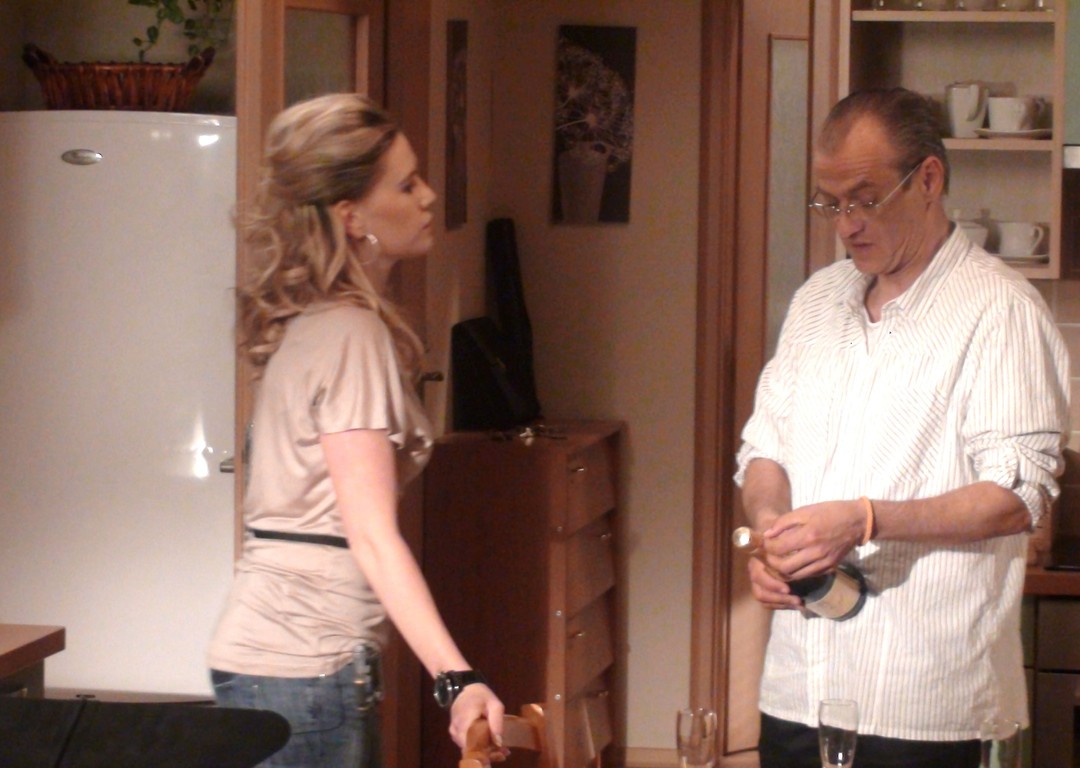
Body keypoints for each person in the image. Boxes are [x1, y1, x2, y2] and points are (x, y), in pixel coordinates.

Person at [735, 87, 1069, 768]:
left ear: (928, 179)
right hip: (797, 687)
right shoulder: (816, 302)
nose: (846, 225)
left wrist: (864, 520)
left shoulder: (999, 310)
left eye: (864, 199)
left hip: (922, 704)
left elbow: (1016, 498)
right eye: (831, 203)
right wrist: (772, 534)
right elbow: (764, 451)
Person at [208, 93, 504, 767]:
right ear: (351, 217)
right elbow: (370, 532)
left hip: (273, 657)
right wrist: (456, 679)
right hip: (306, 662)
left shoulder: (316, 319)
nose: (429, 197)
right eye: (406, 184)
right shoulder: (351, 333)